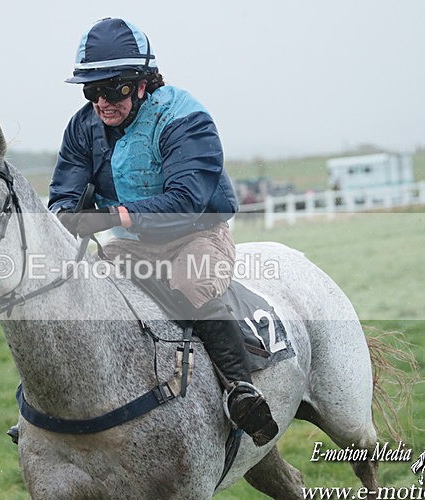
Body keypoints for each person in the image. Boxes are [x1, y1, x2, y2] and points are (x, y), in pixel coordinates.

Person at [47, 17, 278, 446]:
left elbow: (186, 200)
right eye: (91, 91)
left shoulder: (184, 117)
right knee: (89, 291)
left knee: (189, 282)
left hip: (198, 233)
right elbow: (64, 192)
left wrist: (113, 216)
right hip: (135, 244)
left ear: (141, 83)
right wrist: (65, 214)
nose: (102, 102)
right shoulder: (83, 127)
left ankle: (241, 391)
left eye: (112, 89)